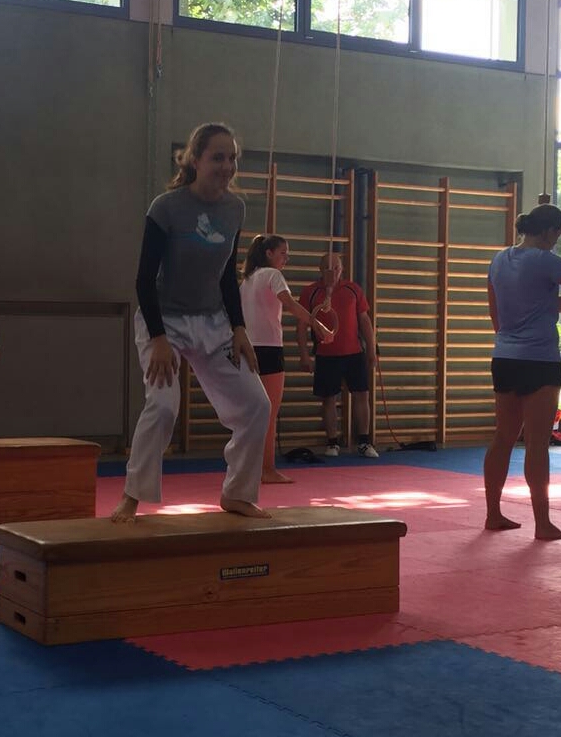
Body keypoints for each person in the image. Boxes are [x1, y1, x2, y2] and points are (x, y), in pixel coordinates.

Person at [111, 122, 270, 523]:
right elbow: (144, 279)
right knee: (164, 406)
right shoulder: (167, 207)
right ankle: (132, 495)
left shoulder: (235, 209)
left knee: (256, 404)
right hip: (164, 320)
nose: (227, 166)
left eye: (232, 158)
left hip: (214, 322)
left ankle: (238, 493)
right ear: (195, 160)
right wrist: (159, 338)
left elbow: (226, 275)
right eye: (218, 157)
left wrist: (239, 328)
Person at [482, 204, 561, 541]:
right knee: (537, 443)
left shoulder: (499, 259)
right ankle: (543, 523)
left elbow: (499, 310)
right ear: (551, 232)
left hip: (505, 356)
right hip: (539, 360)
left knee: (503, 437)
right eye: (558, 237)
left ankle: (493, 514)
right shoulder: (544, 260)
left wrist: (511, 339)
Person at [239, 233, 334, 483]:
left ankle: (247, 468)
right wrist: (318, 326)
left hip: (247, 348)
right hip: (268, 350)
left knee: (250, 413)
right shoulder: (272, 275)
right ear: (269, 253)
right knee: (269, 413)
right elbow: (290, 305)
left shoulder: (246, 281)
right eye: (283, 253)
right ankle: (267, 469)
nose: (286, 259)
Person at [296, 252, 378, 458]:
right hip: (326, 354)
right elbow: (301, 326)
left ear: (342, 269)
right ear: (320, 269)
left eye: (336, 267)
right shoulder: (310, 292)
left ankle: (364, 442)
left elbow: (364, 321)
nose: (332, 271)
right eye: (328, 267)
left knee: (362, 395)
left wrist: (371, 349)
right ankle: (332, 442)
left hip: (354, 353)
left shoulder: (353, 289)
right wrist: (304, 355)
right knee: (328, 398)